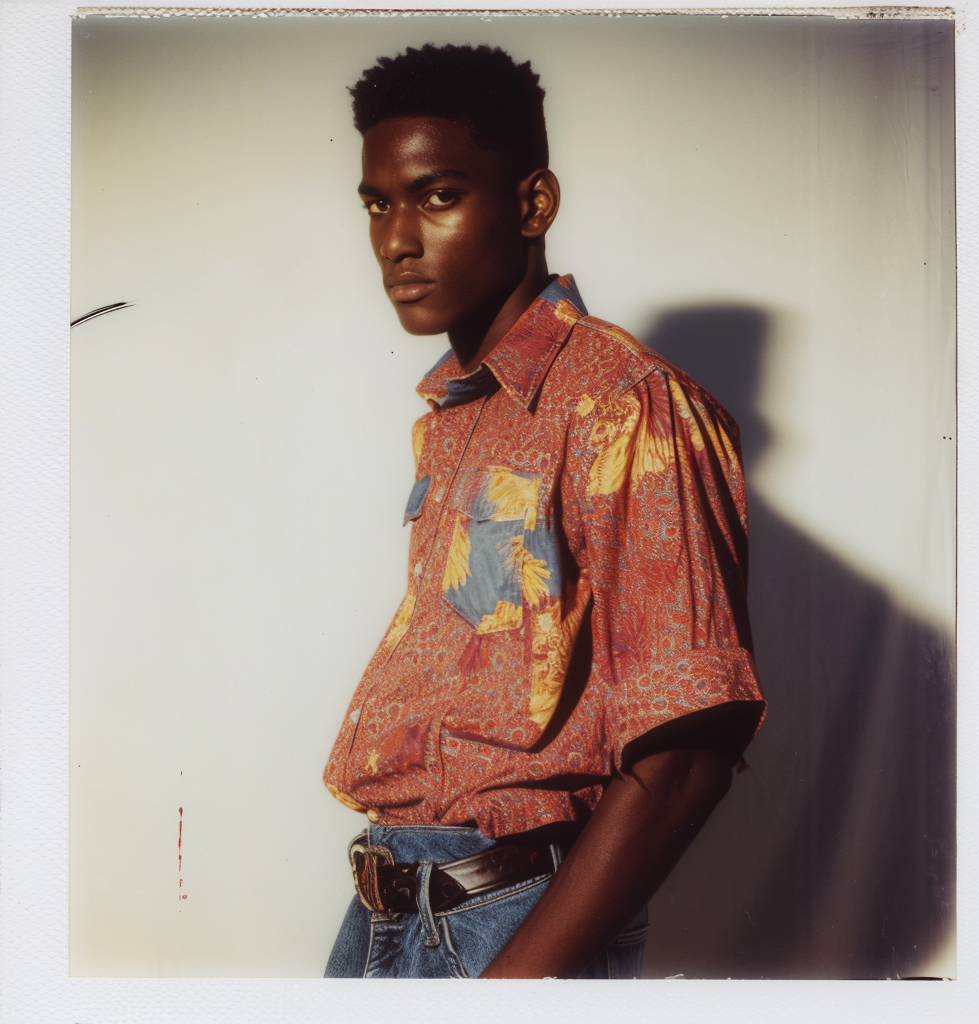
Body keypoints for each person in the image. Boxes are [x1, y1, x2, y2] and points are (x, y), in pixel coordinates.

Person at [322, 43, 766, 980]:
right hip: (390, 911)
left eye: (438, 195)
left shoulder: (627, 403)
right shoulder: (457, 414)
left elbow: (689, 748)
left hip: (505, 923)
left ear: (532, 204)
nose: (398, 238)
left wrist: (516, 987)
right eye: (378, 203)